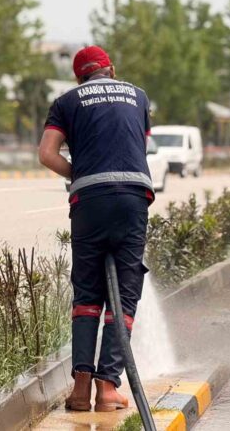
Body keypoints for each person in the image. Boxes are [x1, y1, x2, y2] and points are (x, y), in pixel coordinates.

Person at [38, 45, 154, 413]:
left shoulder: (66, 102)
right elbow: (138, 143)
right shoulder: (138, 96)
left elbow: (46, 154)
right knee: (125, 295)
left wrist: (78, 173)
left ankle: (80, 389)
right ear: (112, 70)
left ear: (79, 78)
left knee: (87, 296)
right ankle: (108, 389)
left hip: (89, 202)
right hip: (132, 198)